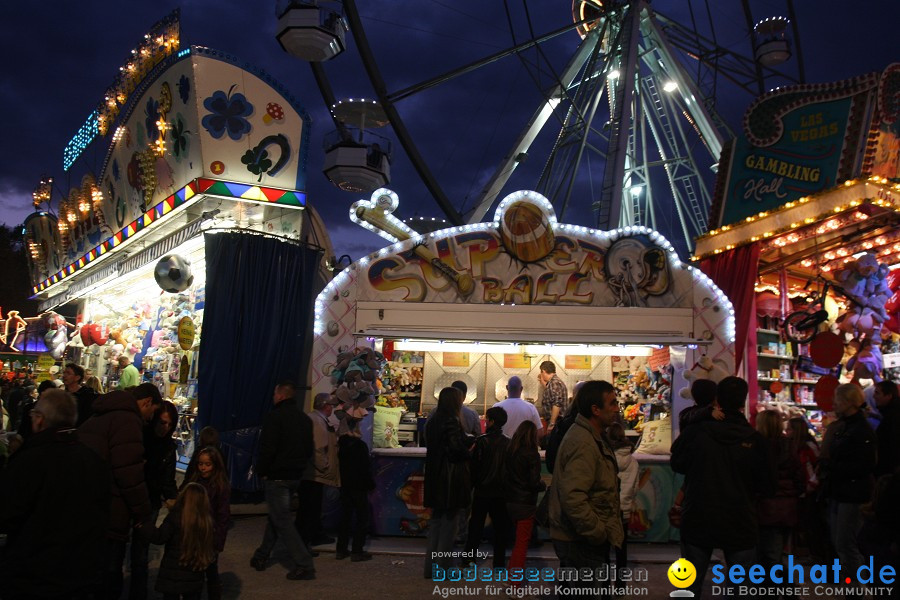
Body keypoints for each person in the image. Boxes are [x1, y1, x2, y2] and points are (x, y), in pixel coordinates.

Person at [0, 388, 110, 599]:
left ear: (40, 420)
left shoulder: (30, 461)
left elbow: (7, 512)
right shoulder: (93, 460)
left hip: (33, 575)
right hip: (81, 572)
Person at [670, 376, 774, 597]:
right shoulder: (755, 441)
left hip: (699, 516)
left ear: (717, 399)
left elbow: (677, 463)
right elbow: (767, 486)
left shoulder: (696, 433)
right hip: (740, 520)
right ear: (743, 402)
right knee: (739, 588)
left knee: (689, 586)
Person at [79, 382, 160, 600]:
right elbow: (129, 473)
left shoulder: (102, 415)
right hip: (108, 510)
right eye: (151, 412)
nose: (150, 419)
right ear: (146, 402)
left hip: (87, 505)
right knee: (107, 575)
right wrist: (143, 514)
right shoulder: (127, 420)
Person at [548, 380, 624, 596]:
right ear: (595, 410)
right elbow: (573, 497)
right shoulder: (583, 441)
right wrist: (597, 531)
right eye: (612, 403)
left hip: (583, 538)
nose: (617, 408)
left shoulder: (590, 436)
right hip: (581, 540)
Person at [250, 381, 317, 581]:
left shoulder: (274, 418)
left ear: (280, 395)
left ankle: (304, 564)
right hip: (296, 475)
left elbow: (268, 448)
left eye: (274, 394)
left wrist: (261, 470)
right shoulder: (305, 419)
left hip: (277, 476)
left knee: (282, 521)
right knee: (277, 517)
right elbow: (308, 449)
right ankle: (261, 555)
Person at [818, 383, 877, 577]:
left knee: (846, 543)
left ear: (848, 402)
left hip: (851, 493)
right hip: (841, 490)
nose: (834, 404)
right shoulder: (848, 426)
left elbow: (863, 464)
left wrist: (832, 467)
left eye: (838, 400)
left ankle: (855, 588)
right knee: (841, 542)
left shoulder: (860, 429)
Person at [131, 400, 180, 600]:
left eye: (169, 424)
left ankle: (138, 593)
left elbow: (167, 479)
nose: (165, 428)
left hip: (150, 501)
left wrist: (173, 500)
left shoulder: (169, 446)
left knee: (141, 552)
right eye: (162, 422)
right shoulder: (141, 438)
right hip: (133, 495)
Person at [424, 386, 472, 578]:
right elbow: (454, 449)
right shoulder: (451, 421)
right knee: (449, 524)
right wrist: (468, 450)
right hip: (449, 479)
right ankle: (443, 568)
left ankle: (430, 567)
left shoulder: (433, 420)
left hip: (435, 477)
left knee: (436, 523)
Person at [143, 483, 215, 600]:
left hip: (173, 570)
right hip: (194, 571)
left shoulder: (175, 517)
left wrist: (144, 525)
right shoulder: (205, 522)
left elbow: (159, 537)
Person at [755, 410, 804, 573]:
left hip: (765, 505)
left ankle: (782, 589)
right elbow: (799, 476)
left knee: (767, 554)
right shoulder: (790, 447)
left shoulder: (759, 447)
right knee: (776, 552)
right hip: (787, 506)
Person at [465, 406, 511, 569]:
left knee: (475, 527)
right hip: (501, 493)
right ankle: (499, 563)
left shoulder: (481, 441)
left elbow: (474, 467)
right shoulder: (508, 443)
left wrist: (472, 485)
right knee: (500, 529)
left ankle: (469, 560)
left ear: (491, 421)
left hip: (482, 491)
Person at [187, 446, 231, 600]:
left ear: (215, 465)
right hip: (194, 533)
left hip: (210, 535)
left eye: (207, 464)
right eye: (200, 464)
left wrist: (218, 542)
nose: (203, 468)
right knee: (194, 572)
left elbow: (223, 516)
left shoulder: (219, 486)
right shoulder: (194, 481)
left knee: (211, 570)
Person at [298, 392, 341, 548]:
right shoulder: (316, 421)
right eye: (331, 406)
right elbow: (317, 448)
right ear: (325, 406)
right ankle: (305, 542)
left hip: (313, 473)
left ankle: (314, 535)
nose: (332, 409)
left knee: (312, 509)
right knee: (310, 509)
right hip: (314, 474)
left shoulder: (316, 419)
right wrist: (325, 466)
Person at [505, 420, 546, 572]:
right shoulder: (531, 454)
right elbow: (534, 482)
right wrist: (543, 485)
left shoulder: (511, 450)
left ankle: (511, 574)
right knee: (522, 544)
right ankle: (514, 582)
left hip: (511, 501)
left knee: (517, 542)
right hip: (525, 504)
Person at [335, 418, 375, 562]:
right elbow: (365, 468)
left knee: (345, 517)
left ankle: (341, 549)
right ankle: (357, 550)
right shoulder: (360, 446)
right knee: (362, 518)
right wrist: (370, 484)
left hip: (345, 485)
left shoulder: (341, 445)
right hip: (359, 486)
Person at [608, 422, 638, 569]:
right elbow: (635, 487)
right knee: (622, 549)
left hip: (608, 509)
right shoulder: (633, 462)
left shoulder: (606, 458)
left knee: (604, 550)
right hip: (624, 509)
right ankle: (620, 585)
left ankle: (604, 585)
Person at [873, 380, 900, 478]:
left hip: (888, 470)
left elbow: (892, 444)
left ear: (889, 396)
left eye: (877, 393)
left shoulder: (893, 416)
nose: (874, 396)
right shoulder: (890, 413)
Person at [62, 362, 98, 426]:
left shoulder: (87, 396)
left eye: (68, 373)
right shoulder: (61, 395)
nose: (64, 376)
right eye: (64, 373)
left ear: (77, 377)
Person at [538, 361, 568, 435]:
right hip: (557, 423)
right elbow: (552, 395)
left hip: (557, 424)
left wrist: (552, 424)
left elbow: (556, 404)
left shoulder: (554, 383)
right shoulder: (553, 383)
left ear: (543, 371)